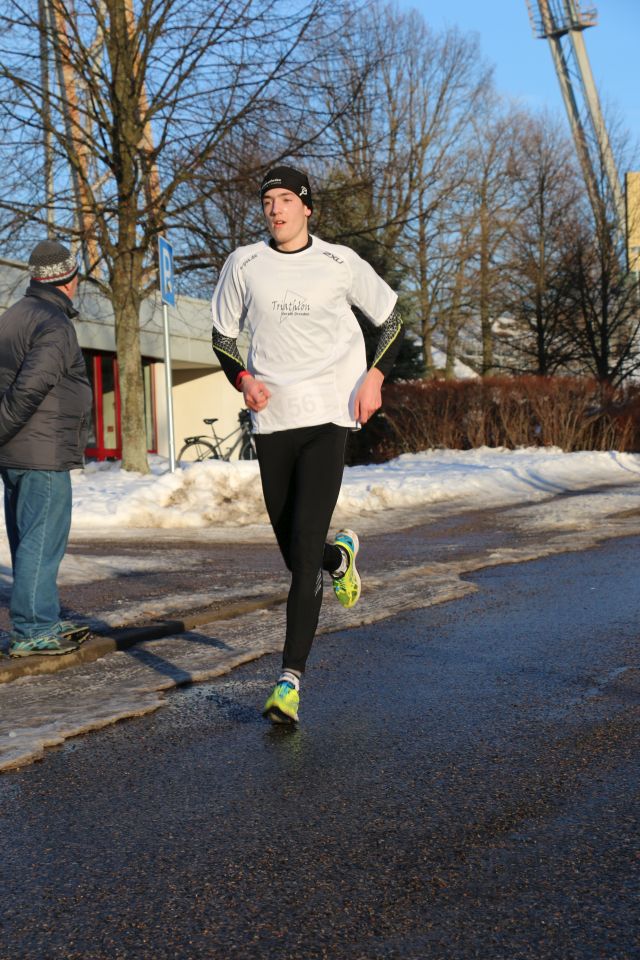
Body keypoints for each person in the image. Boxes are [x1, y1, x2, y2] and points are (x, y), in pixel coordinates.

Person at [211, 165, 403, 723]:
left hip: (328, 415)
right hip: (273, 420)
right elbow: (222, 335)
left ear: (307, 207)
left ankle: (289, 682)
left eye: (286, 200)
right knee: (296, 550)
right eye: (267, 200)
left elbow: (391, 319)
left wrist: (375, 376)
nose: (275, 209)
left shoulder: (339, 262)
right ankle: (337, 558)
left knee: (300, 559)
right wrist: (243, 378)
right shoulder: (244, 263)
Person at [0, 239, 93, 657]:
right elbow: (30, 387)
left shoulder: (14, 315)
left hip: (18, 451)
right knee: (42, 542)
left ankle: (42, 619)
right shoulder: (53, 323)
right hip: (42, 450)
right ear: (68, 279)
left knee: (28, 541)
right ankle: (33, 628)